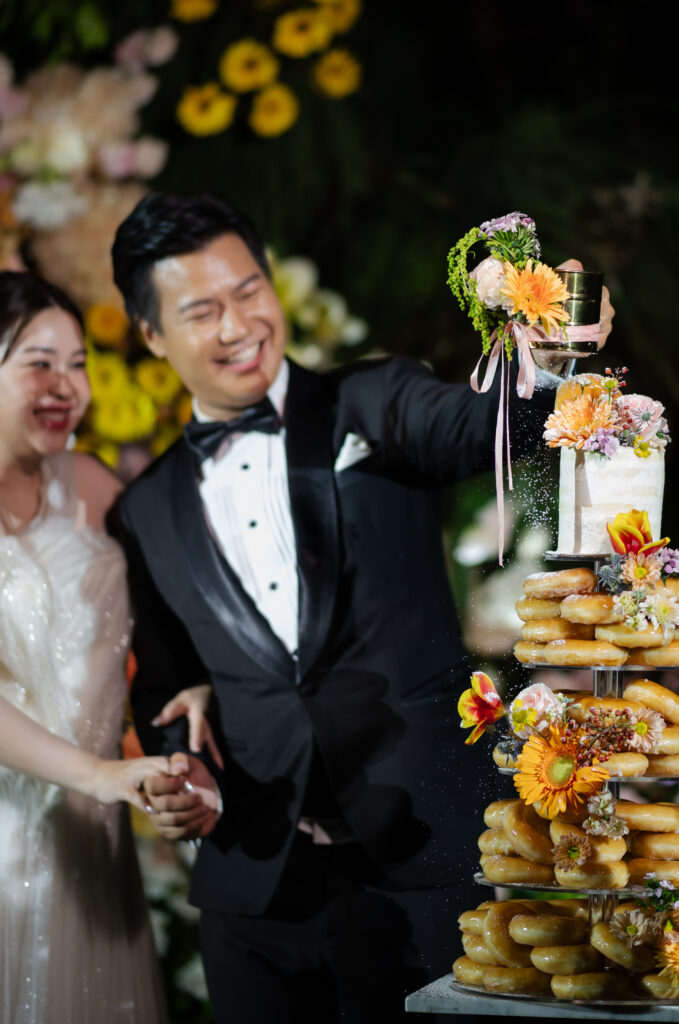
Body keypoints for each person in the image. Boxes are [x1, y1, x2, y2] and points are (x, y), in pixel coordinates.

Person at [109, 192, 613, 1023]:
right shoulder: (145, 507)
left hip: (418, 855)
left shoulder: (375, 399)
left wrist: (557, 349)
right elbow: (165, 685)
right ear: (153, 335)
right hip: (255, 889)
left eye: (248, 291)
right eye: (201, 311)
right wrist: (182, 777)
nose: (237, 325)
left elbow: (492, 425)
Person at [0, 270, 216, 1024]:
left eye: (78, 363)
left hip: (98, 839)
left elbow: (172, 622)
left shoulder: (95, 487)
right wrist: (98, 774)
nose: (67, 386)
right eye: (40, 363)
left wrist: (200, 684)